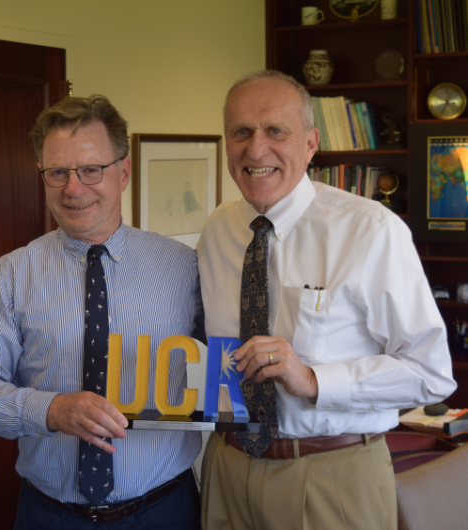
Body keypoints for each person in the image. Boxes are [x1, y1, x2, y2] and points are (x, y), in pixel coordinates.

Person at [196, 70, 457, 530]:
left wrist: (314, 380)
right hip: (226, 467)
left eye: (276, 130)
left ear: (311, 143)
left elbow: (431, 374)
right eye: (241, 132)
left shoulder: (371, 230)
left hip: (329, 475)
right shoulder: (218, 229)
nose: (256, 150)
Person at [0, 94, 205, 530]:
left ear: (123, 172)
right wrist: (51, 410)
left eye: (91, 170)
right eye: (57, 172)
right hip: (50, 515)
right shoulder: (10, 275)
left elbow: (226, 363)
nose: (73, 188)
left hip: (165, 511)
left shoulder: (186, 267)